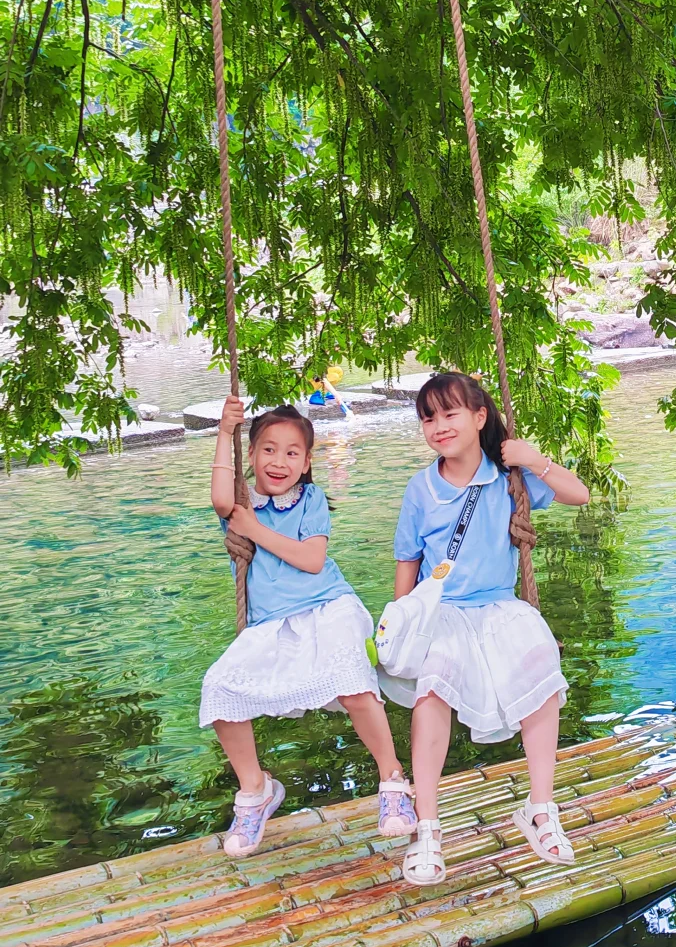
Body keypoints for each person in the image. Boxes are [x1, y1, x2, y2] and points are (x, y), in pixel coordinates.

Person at [382, 372, 590, 885]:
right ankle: (427, 829)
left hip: (499, 606)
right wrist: (400, 620)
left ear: (479, 418)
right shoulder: (420, 488)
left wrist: (534, 460)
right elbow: (408, 562)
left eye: (450, 413)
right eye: (428, 417)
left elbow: (578, 495)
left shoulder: (509, 477)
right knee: (432, 694)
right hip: (443, 611)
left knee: (542, 672)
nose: (438, 426)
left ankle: (540, 809)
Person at [201, 398, 417, 857]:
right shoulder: (240, 503)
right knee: (220, 690)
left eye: (292, 452)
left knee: (353, 682)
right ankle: (256, 790)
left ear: (306, 462)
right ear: (253, 455)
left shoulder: (311, 499)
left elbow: (312, 560)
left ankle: (393, 779)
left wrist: (254, 530)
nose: (279, 461)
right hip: (271, 623)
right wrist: (225, 432)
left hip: (327, 608)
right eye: (268, 450)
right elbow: (222, 497)